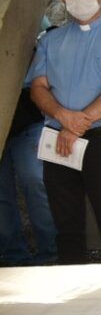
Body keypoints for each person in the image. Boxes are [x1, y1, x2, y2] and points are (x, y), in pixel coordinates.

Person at [29, 0, 101, 264]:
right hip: (57, 140)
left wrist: (75, 126)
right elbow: (37, 88)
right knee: (66, 223)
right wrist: (63, 116)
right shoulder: (50, 41)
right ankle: (71, 287)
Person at [0, 26, 57, 266]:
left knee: (35, 182)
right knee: (2, 196)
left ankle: (50, 254)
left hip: (26, 121)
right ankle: (15, 257)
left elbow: (41, 31)